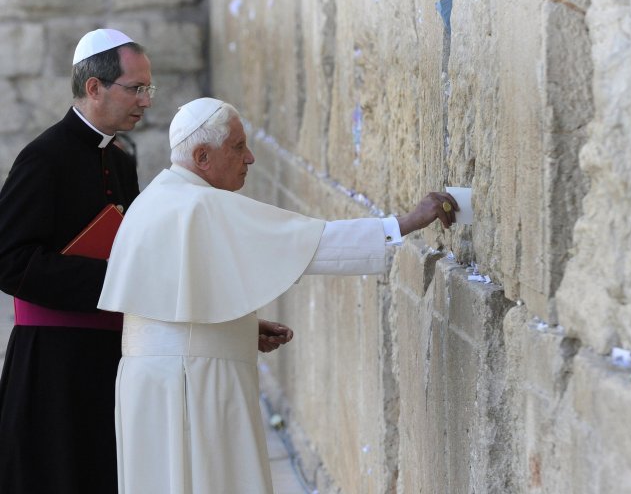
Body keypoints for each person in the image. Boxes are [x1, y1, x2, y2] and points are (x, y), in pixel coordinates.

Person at [98, 97, 459, 494]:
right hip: (193, 384)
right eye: (237, 147)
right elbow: (310, 244)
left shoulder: (158, 197)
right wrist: (404, 223)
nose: (249, 158)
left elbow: (174, 308)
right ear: (202, 155)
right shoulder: (201, 204)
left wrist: (240, 327)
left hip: (152, 382)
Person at [0, 28, 150, 493]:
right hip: (52, 362)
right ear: (94, 87)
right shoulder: (43, 158)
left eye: (149, 88)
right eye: (136, 88)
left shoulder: (122, 162)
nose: (145, 100)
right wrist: (110, 279)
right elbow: (9, 260)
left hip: (108, 356)